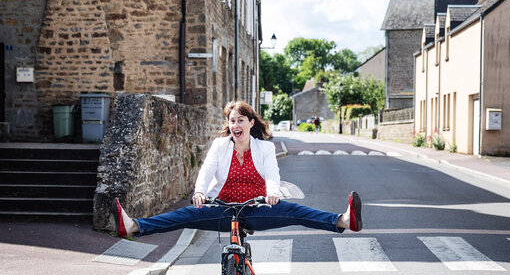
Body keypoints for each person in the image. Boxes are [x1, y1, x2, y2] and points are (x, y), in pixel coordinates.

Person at [112, 101, 362, 238]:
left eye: (240, 120)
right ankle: (133, 226)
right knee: (185, 214)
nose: (235, 125)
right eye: (232, 121)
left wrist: (272, 193)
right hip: (222, 209)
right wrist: (200, 192)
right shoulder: (220, 146)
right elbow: (207, 171)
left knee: (295, 211)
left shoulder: (263, 148)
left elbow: (273, 175)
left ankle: (343, 221)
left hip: (257, 209)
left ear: (251, 123)